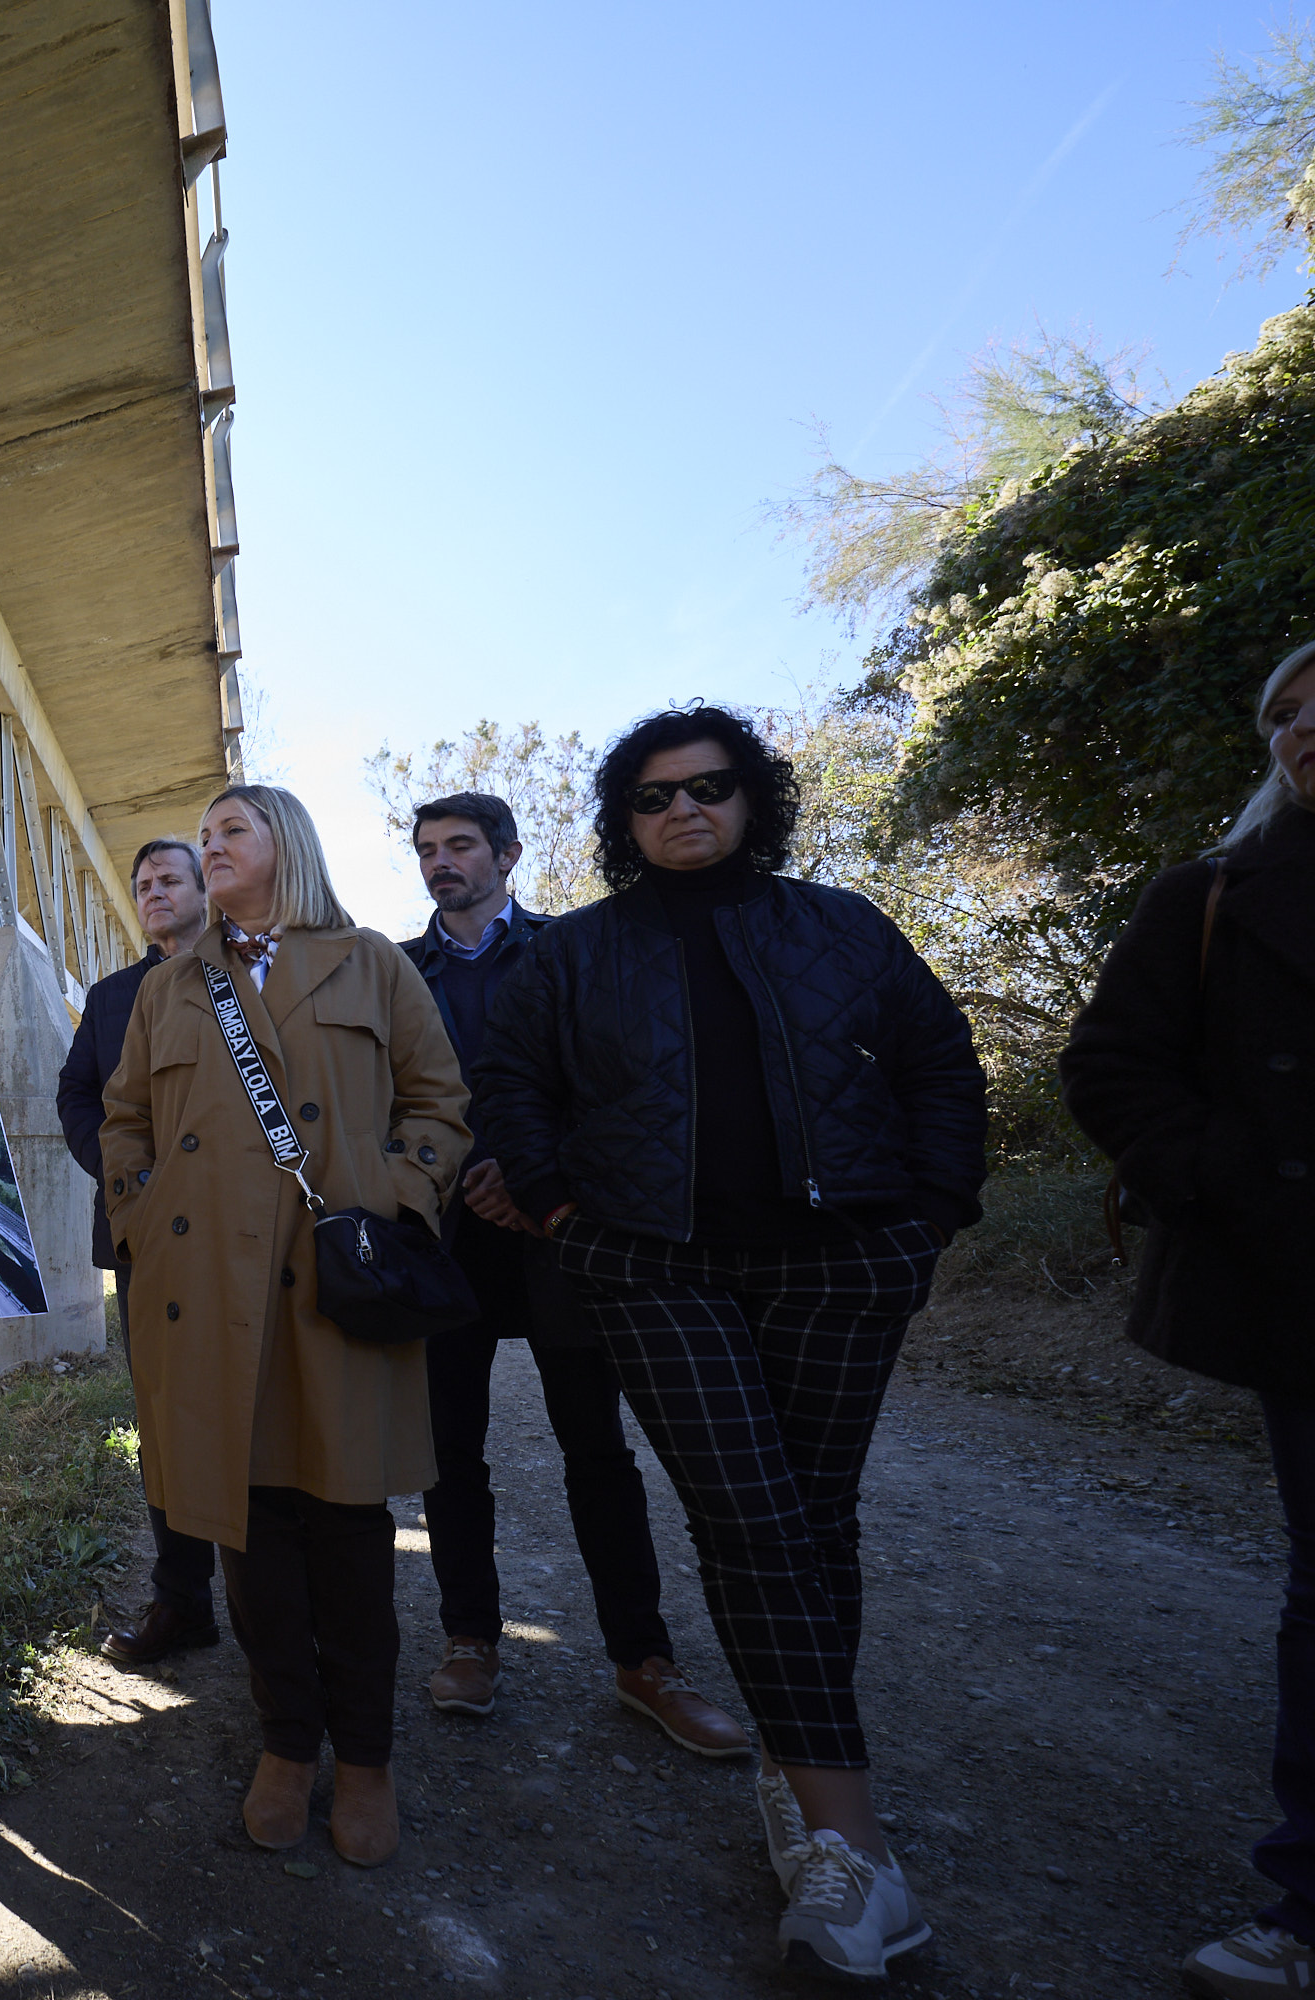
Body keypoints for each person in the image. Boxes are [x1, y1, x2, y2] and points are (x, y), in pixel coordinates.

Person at [469, 705, 985, 1982]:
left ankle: (794, 1766)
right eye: (652, 797)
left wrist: (930, 1216)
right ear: (621, 819)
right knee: (752, 1516)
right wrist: (562, 1210)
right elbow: (513, 1085)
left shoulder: (842, 926)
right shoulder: (578, 951)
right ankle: (851, 1844)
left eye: (707, 787)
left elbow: (939, 1062)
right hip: (651, 1265)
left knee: (815, 1516)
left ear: (753, 796)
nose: (681, 811)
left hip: (845, 1260)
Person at [100, 782, 468, 1869]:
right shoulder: (171, 985)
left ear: (285, 846)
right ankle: (285, 1745)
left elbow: (438, 1101)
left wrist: (397, 1194)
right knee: (246, 1522)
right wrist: (142, 1214)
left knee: (351, 1522)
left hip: (332, 1280)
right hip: (205, 1285)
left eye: (230, 831)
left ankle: (366, 1757)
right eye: (204, 834)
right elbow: (125, 1118)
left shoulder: (372, 962)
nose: (208, 846)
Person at [1061, 642, 1315, 1999]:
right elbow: (1109, 1067)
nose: (1303, 728)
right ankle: (1308, 1902)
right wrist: (1237, 1186)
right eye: (1282, 712)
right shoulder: (1212, 899)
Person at [397, 791, 743, 1757]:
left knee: (596, 1451)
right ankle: (469, 1641)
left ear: (507, 855)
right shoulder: (393, 970)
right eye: (427, 849)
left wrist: (538, 1177)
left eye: (460, 845)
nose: (441, 863)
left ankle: (645, 1661)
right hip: (445, 1245)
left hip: (561, 1234)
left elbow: (618, 1082)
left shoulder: (572, 951)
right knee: (448, 1455)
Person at [56, 835, 223, 1668]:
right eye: (143, 881)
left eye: (170, 879)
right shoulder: (112, 994)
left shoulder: (254, 976)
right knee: (165, 1417)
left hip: (244, 1234)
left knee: (254, 1407)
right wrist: (123, 1175)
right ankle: (182, 1600)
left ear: (209, 889)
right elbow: (76, 1092)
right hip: (144, 1233)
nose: (153, 891)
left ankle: (278, 1603)